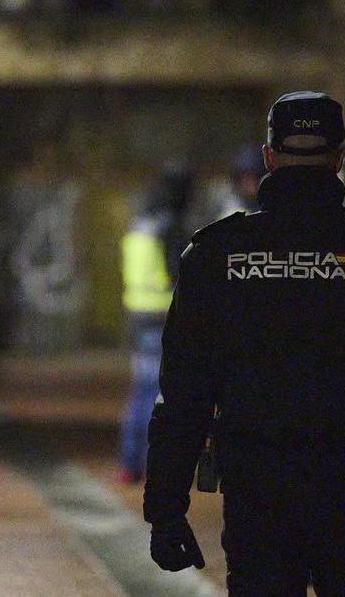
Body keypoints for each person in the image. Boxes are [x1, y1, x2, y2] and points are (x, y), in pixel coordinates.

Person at [143, 92, 345, 594]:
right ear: (340, 159)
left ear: (268, 157)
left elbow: (183, 397)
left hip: (256, 494)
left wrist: (166, 510)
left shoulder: (216, 255)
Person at [116, 162, 194, 484]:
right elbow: (180, 274)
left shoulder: (141, 221)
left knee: (141, 393)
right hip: (163, 318)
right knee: (159, 396)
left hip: (139, 316)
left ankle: (130, 463)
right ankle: (154, 466)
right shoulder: (169, 225)